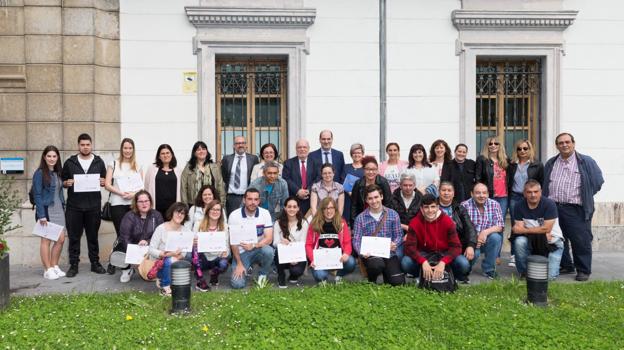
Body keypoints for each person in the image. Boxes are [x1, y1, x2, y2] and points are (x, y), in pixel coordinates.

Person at [543, 132, 603, 282]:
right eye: (561, 143)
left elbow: (597, 182)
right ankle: (566, 265)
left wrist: (585, 194)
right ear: (557, 146)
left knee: (580, 239)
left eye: (567, 142)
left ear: (573, 143)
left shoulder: (585, 161)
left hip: (576, 208)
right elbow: (545, 183)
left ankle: (583, 269)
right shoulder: (551, 162)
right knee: (557, 237)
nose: (564, 145)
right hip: (554, 207)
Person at [61, 133, 107, 277]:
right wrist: (66, 183)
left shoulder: (99, 162)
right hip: (74, 207)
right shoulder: (70, 162)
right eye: (82, 145)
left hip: (93, 206)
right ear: (78, 145)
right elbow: (62, 180)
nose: (85, 147)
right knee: (74, 237)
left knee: (92, 236)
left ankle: (95, 263)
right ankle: (73, 265)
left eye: (88, 145)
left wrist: (103, 182)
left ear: (91, 145)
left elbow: (104, 180)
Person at [104, 138, 144, 275]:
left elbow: (141, 187)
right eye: (125, 148)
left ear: (133, 150)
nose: (127, 151)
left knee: (132, 234)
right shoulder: (113, 164)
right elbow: (107, 184)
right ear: (121, 149)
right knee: (121, 234)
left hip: (132, 205)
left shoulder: (138, 166)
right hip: (117, 203)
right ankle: (115, 261)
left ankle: (125, 262)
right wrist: (121, 193)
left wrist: (133, 194)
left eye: (130, 148)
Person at [402, 194, 462, 283]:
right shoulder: (415, 223)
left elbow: (456, 247)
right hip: (424, 254)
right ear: (421, 209)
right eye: (426, 207)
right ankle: (423, 273)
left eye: (433, 207)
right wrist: (423, 261)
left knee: (463, 264)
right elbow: (409, 248)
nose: (430, 210)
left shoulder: (447, 221)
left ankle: (446, 272)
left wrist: (443, 262)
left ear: (438, 207)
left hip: (443, 253)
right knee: (406, 263)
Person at [352, 185, 405, 286]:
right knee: (376, 265)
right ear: (366, 200)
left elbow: (399, 235)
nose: (374, 201)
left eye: (376, 197)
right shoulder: (360, 218)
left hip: (389, 253)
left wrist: (395, 243)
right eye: (370, 198)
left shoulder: (393, 214)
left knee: (398, 282)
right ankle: (371, 279)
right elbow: (356, 240)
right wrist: (361, 252)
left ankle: (387, 274)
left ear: (381, 197)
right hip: (371, 255)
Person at [512, 180, 564, 280]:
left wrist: (526, 230)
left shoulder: (549, 204)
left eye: (536, 191)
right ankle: (524, 272)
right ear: (524, 193)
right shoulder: (519, 205)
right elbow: (518, 229)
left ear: (541, 192)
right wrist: (542, 231)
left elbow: (547, 228)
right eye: (529, 192)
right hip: (533, 241)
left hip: (553, 243)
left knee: (549, 278)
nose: (533, 195)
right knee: (519, 241)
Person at [506, 139, 544, 268]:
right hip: (515, 197)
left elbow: (541, 183)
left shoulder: (537, 165)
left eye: (525, 148)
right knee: (515, 225)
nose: (522, 151)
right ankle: (514, 255)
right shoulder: (512, 165)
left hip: (531, 197)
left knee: (531, 223)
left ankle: (531, 252)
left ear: (530, 149)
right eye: (519, 149)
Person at [228, 188, 274, 289]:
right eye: (249, 199)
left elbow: (269, 239)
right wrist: (239, 263)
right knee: (237, 284)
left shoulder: (265, 213)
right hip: (241, 252)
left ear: (259, 201)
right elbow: (233, 243)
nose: (253, 202)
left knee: (269, 251)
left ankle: (263, 275)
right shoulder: (234, 216)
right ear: (244, 200)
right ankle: (245, 266)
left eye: (256, 199)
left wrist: (253, 245)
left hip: (258, 249)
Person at [32, 145, 66, 280]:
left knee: (61, 239)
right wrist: (41, 215)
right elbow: (37, 195)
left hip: (59, 209)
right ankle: (47, 269)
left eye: (54, 156)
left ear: (57, 158)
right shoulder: (39, 173)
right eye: (49, 156)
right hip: (46, 210)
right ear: (44, 157)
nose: (52, 159)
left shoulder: (57, 172)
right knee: (46, 240)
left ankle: (54, 265)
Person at [306, 197, 356, 284]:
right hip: (320, 259)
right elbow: (308, 245)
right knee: (320, 275)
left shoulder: (342, 223)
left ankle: (338, 275)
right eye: (325, 208)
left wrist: (346, 253)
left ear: (335, 209)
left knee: (351, 262)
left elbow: (347, 242)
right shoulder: (314, 224)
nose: (328, 211)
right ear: (321, 210)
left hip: (338, 258)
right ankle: (323, 278)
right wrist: (313, 259)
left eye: (331, 208)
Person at [117, 191, 164, 283]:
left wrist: (148, 241)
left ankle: (152, 267)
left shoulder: (157, 215)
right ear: (136, 203)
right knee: (122, 249)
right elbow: (125, 237)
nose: (144, 204)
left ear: (150, 202)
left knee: (149, 273)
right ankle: (127, 269)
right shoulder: (129, 216)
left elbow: (161, 235)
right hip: (134, 246)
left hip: (151, 246)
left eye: (146, 201)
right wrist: (134, 253)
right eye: (141, 201)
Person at [461, 183, 504, 279]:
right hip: (470, 242)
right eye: (478, 193)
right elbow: (462, 229)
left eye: (484, 193)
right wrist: (474, 239)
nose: (481, 195)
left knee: (496, 237)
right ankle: (467, 268)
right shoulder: (464, 205)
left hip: (486, 240)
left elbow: (500, 226)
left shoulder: (494, 204)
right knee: (469, 261)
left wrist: (484, 233)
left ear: (488, 194)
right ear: (472, 194)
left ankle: (489, 269)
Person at [148, 202, 191, 296]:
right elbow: (151, 249)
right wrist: (165, 254)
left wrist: (176, 256)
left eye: (182, 213)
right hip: (159, 261)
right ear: (172, 212)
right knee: (169, 260)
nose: (179, 215)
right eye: (177, 212)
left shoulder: (186, 230)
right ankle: (165, 287)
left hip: (176, 259)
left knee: (174, 260)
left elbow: (184, 253)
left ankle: (166, 279)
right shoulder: (161, 228)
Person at [438, 181, 477, 283]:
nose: (446, 193)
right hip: (435, 249)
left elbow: (470, 228)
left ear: (454, 193)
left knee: (464, 265)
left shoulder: (460, 208)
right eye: (443, 190)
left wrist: (471, 245)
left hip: (454, 248)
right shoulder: (431, 207)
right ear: (439, 192)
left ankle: (451, 272)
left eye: (449, 190)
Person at [272, 197, 309, 288]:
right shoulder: (278, 223)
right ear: (285, 208)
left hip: (298, 254)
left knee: (297, 271)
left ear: (298, 208)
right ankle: (281, 275)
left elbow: (303, 243)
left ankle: (293, 275)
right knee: (277, 251)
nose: (292, 209)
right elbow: (274, 242)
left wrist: (294, 256)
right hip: (283, 254)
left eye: (294, 207)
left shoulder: (304, 223)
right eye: (289, 207)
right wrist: (281, 242)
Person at [194, 200, 230, 289]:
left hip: (217, 256)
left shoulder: (225, 226)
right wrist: (194, 243)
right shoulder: (198, 224)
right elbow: (193, 242)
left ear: (221, 213)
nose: (215, 212)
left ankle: (214, 274)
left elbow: (227, 246)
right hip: (203, 256)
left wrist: (226, 252)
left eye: (218, 210)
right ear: (208, 211)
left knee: (224, 263)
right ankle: (200, 280)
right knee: (193, 251)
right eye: (213, 209)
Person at [221, 136, 260, 216]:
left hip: (248, 196)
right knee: (232, 219)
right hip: (231, 198)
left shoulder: (253, 159)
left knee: (248, 219)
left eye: (243, 143)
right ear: (234, 146)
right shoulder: (227, 159)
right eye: (238, 143)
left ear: (246, 145)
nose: (240, 145)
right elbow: (224, 177)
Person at [180, 141, 225, 207]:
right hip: (194, 204)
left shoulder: (215, 167)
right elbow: (183, 188)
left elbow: (220, 186)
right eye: (198, 150)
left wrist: (221, 204)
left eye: (203, 149)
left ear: (207, 151)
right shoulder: (188, 168)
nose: (201, 151)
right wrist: (185, 206)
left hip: (212, 204)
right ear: (194, 153)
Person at [283, 139, 321, 216]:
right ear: (296, 149)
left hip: (311, 200)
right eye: (299, 147)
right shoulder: (288, 163)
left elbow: (318, 178)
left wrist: (309, 190)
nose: (302, 149)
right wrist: (298, 191)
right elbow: (286, 179)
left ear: (308, 149)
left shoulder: (316, 162)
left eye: (304, 147)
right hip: (294, 201)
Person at [350, 156, 392, 226]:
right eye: (368, 169)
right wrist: (354, 225)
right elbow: (354, 206)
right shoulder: (358, 183)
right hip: (363, 219)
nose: (371, 172)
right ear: (363, 169)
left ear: (377, 170)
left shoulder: (383, 182)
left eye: (374, 169)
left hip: (381, 219)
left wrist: (386, 221)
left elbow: (388, 203)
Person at [475, 136, 509, 219]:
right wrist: (481, 194)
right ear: (487, 146)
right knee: (487, 220)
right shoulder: (482, 159)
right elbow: (478, 178)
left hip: (503, 196)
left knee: (500, 221)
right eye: (490, 144)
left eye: (496, 143)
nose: (493, 145)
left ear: (499, 145)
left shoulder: (505, 160)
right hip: (488, 196)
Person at [144, 144, 182, 218]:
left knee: (172, 229)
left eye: (167, 153)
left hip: (173, 208)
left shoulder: (178, 170)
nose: (165, 155)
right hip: (157, 208)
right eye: (162, 153)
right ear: (159, 156)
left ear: (172, 155)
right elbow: (146, 187)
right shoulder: (151, 169)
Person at [341, 143, 365, 224]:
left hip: (360, 200)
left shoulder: (365, 168)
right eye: (354, 153)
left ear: (362, 154)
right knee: (346, 223)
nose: (357, 155)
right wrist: (349, 192)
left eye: (359, 153)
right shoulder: (346, 167)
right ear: (351, 154)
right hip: (347, 199)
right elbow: (342, 181)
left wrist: (355, 193)